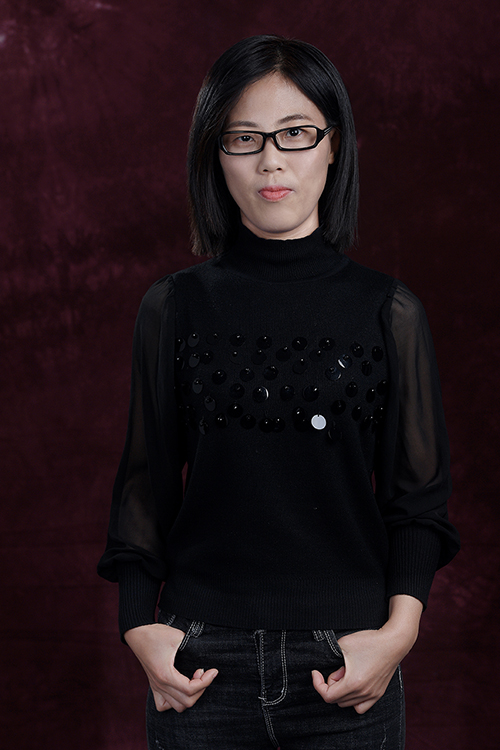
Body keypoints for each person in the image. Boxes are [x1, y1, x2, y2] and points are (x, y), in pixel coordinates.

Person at [97, 34, 460, 750]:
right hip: (201, 667)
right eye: (244, 138)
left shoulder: (389, 311)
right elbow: (145, 481)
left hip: (347, 665)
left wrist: (399, 632)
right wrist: (139, 623)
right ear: (215, 154)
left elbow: (417, 500)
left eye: (295, 133)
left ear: (334, 145)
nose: (271, 160)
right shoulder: (173, 306)